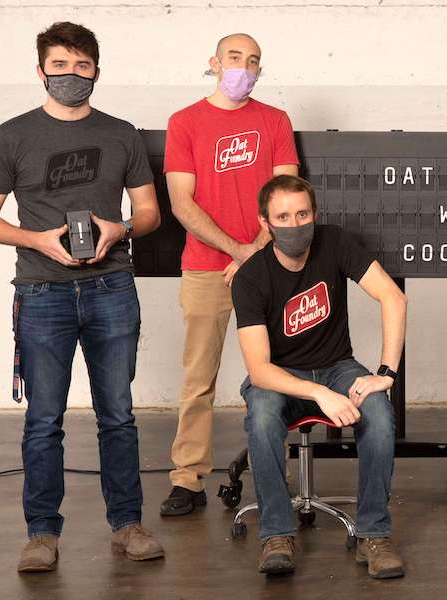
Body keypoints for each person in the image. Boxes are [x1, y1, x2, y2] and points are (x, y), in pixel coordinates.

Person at [0, 21, 164, 572]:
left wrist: (117, 229)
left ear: (96, 71)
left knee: (119, 415)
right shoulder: (12, 136)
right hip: (41, 292)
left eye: (81, 66)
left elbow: (149, 213)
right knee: (43, 418)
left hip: (111, 287)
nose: (71, 76)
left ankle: (127, 523)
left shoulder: (122, 133)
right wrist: (37, 241)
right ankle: (41, 533)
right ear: (40, 71)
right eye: (59, 66)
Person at [231, 175, 407, 578]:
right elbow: (259, 370)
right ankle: (276, 534)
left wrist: (385, 373)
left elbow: (392, 297)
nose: (295, 224)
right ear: (265, 223)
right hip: (281, 377)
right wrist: (318, 392)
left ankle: (373, 535)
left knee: (379, 412)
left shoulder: (335, 242)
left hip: (336, 365)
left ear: (315, 214)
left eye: (302, 214)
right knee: (261, 417)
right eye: (283, 216)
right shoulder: (250, 278)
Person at [160, 33, 300, 516]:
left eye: (254, 60)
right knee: (198, 378)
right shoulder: (185, 123)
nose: (245, 66)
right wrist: (235, 250)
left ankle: (276, 475)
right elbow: (182, 202)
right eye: (236, 57)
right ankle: (188, 478)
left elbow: (286, 197)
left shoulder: (275, 121)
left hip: (271, 268)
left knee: (276, 375)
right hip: (205, 268)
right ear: (215, 63)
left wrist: (253, 255)